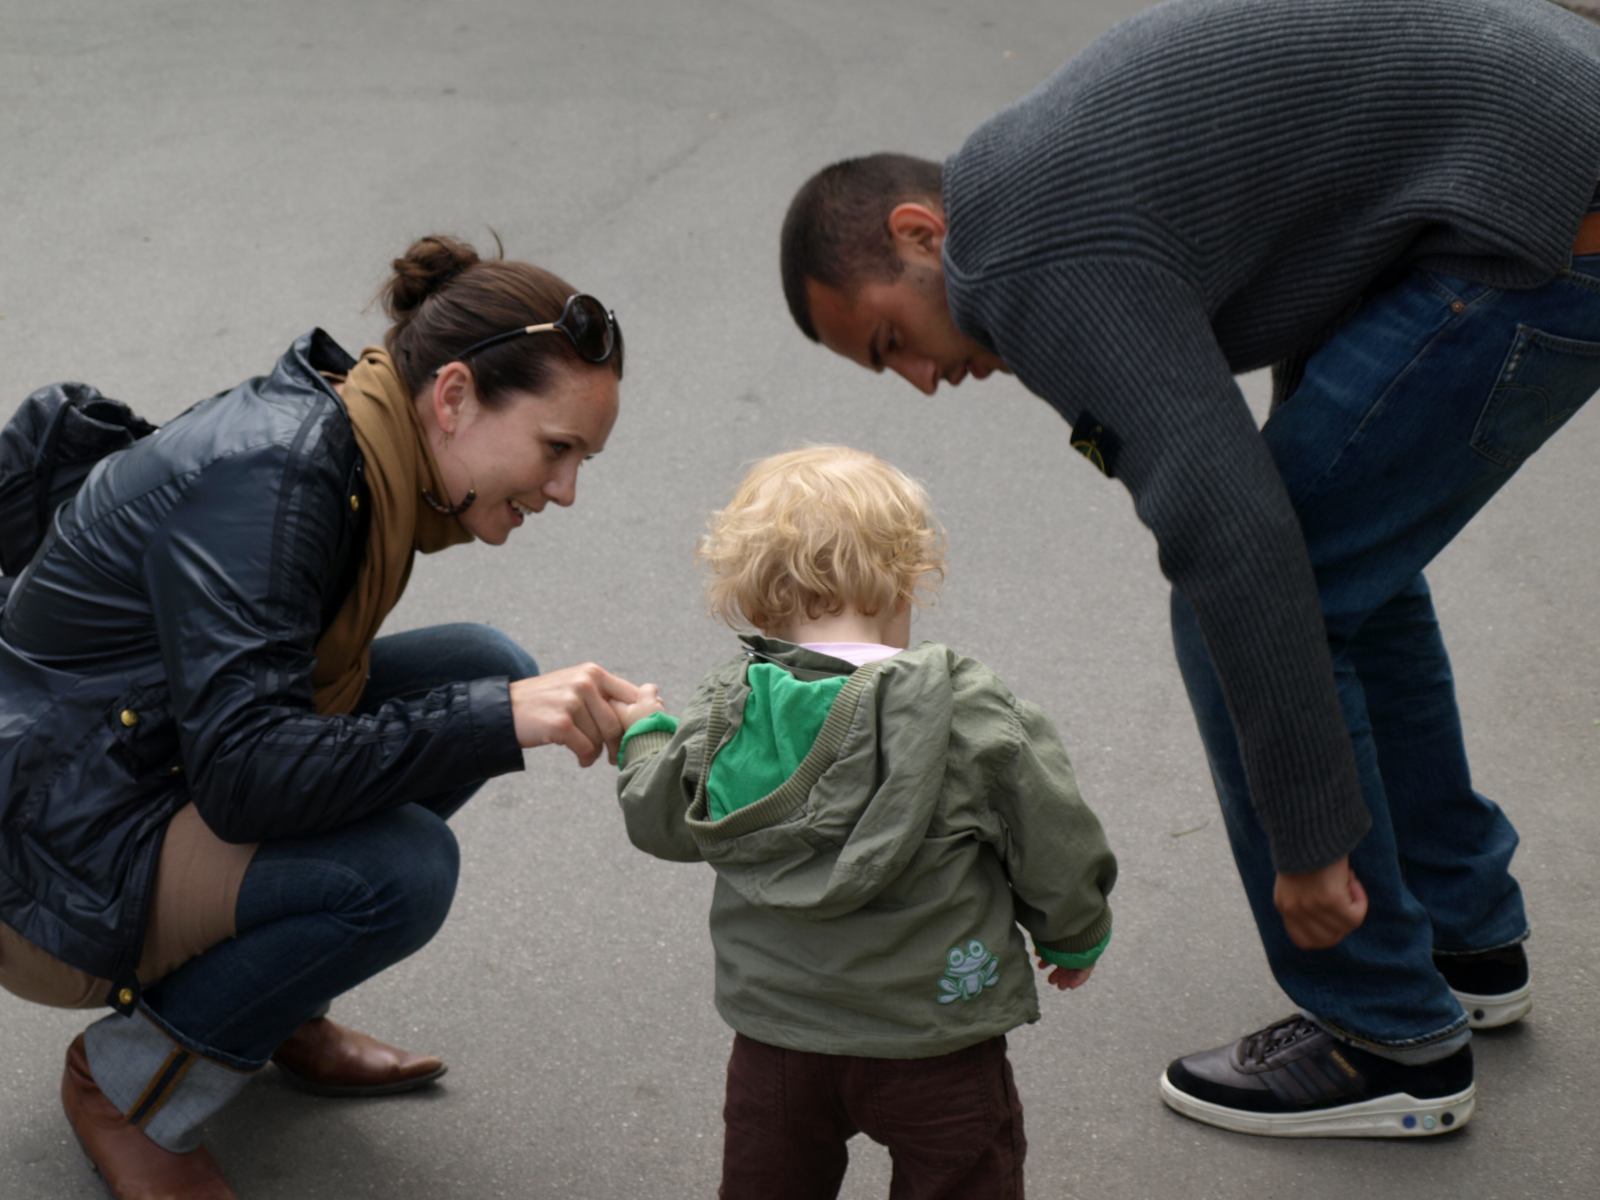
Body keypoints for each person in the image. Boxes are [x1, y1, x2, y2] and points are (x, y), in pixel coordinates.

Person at [777, 0, 1600, 1139]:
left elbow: (1229, 537)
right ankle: (1465, 937)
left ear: (920, 233)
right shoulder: (1036, 185)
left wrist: (1310, 843)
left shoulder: (1014, 259)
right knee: (1334, 569)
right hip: (1537, 165)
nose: (921, 379)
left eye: (891, 342)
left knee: (1247, 603)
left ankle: (1386, 1037)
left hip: (1538, 221)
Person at [0, 233, 645, 1198]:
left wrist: (492, 707)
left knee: (485, 667)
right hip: (57, 853)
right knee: (405, 868)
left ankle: (268, 1003)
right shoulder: (282, 479)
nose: (566, 490)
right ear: (455, 397)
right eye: (557, 449)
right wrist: (493, 721)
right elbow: (249, 774)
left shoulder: (364, 445)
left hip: (143, 762)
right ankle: (130, 1086)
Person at [611, 445, 1117, 1199]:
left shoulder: (730, 713)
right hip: (935, 1034)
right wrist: (1074, 931)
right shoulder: (967, 711)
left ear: (754, 592)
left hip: (779, 1038)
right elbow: (1050, 835)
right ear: (908, 575)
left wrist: (646, 733)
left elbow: (660, 818)